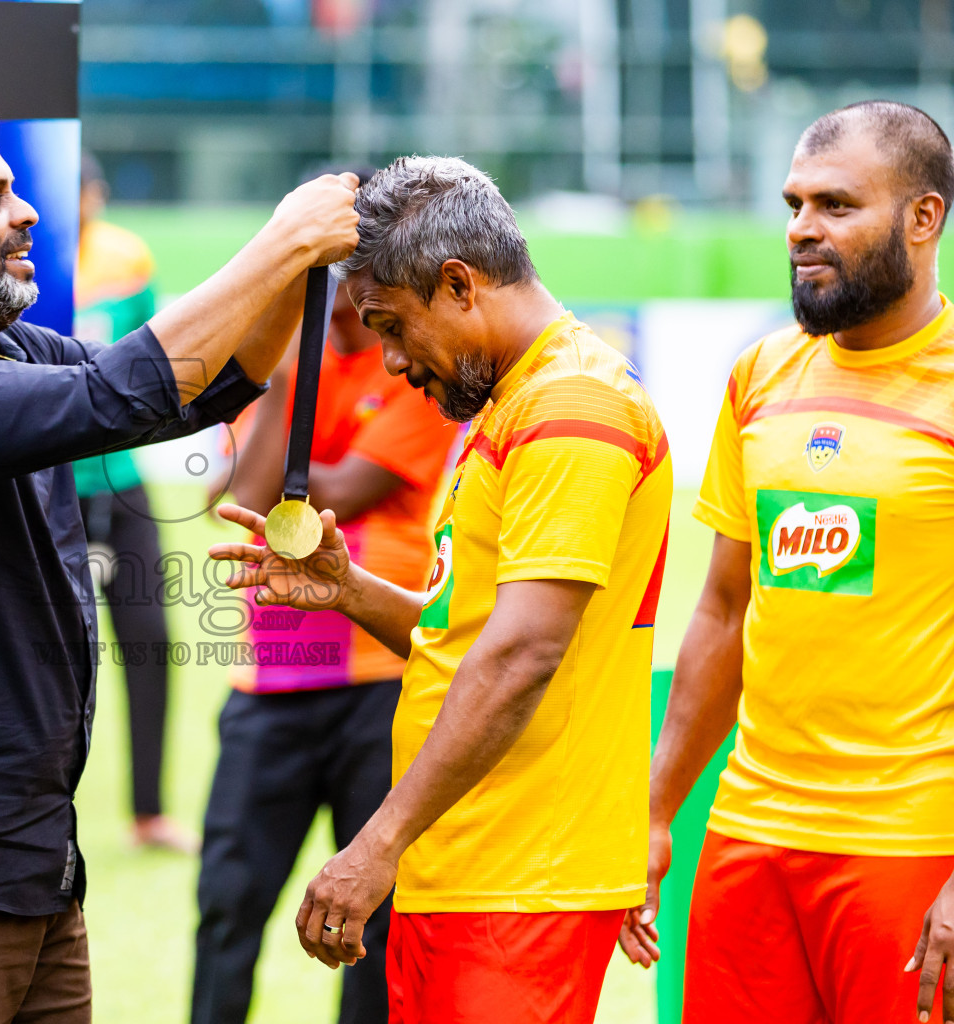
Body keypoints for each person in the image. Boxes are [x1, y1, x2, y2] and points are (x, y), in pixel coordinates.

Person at [0, 110, 358, 1024]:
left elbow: (193, 392)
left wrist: (298, 271)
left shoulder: (10, 349)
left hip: (32, 868)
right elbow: (122, 389)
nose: (28, 214)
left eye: (16, 191)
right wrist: (281, 238)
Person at [209, 155, 671, 1024]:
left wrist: (376, 841)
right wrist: (347, 589)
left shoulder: (573, 407)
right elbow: (466, 635)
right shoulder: (513, 401)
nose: (386, 361)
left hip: (520, 875)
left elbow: (524, 653)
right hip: (469, 862)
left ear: (458, 285)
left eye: (390, 326)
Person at [616, 100, 954, 1024]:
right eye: (794, 203)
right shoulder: (759, 374)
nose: (803, 229)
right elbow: (724, 610)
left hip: (909, 848)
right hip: (747, 836)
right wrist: (655, 812)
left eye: (837, 205)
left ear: (924, 218)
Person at [192, 165, 458, 1024]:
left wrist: (301, 372)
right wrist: (287, 360)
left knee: (371, 924)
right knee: (228, 902)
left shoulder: (417, 377)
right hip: (269, 683)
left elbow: (322, 497)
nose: (343, 303)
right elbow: (236, 496)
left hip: (374, 684)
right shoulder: (282, 378)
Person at [70, 152, 194, 852]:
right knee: (50, 652)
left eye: (90, 190)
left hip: (122, 482)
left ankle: (150, 811)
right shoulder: (21, 260)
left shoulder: (127, 258)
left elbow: (154, 359)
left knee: (149, 640)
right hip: (48, 487)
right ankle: (43, 811)